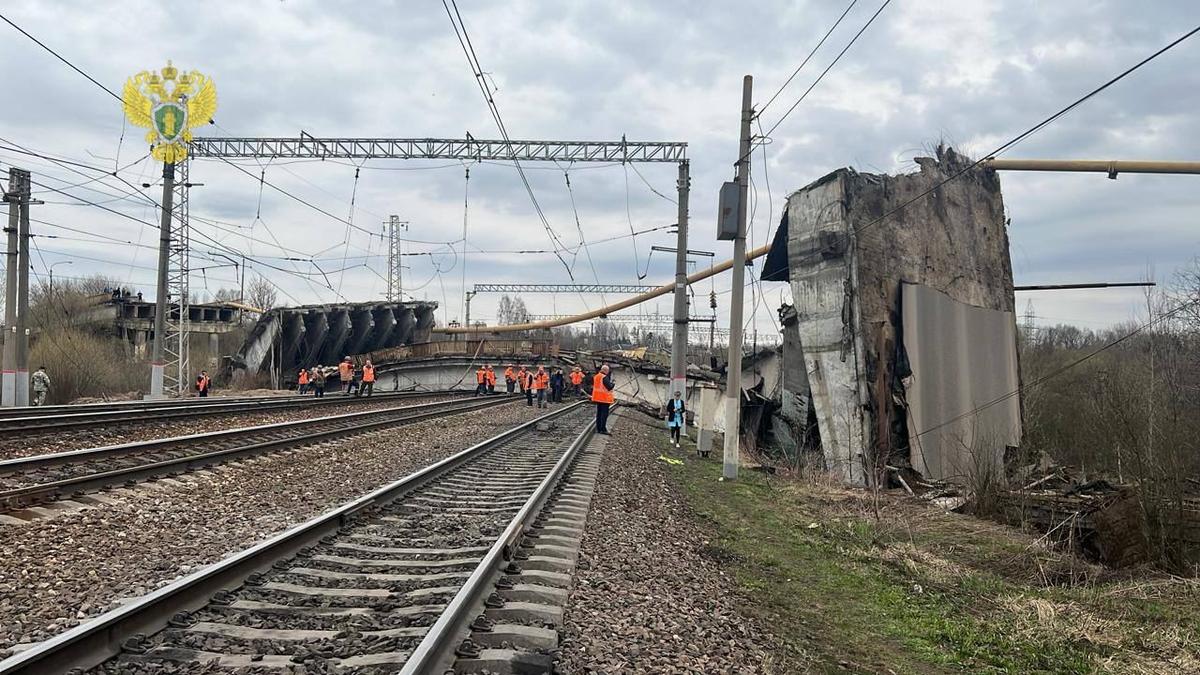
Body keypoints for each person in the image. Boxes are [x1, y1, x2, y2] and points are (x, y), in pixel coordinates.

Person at [591, 364, 614, 434]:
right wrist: (613, 384)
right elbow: (609, 387)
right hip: (604, 399)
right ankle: (603, 429)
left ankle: (598, 428)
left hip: (597, 398)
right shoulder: (604, 377)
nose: (608, 372)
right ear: (605, 370)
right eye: (608, 371)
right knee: (604, 415)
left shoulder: (596, 376)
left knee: (599, 414)